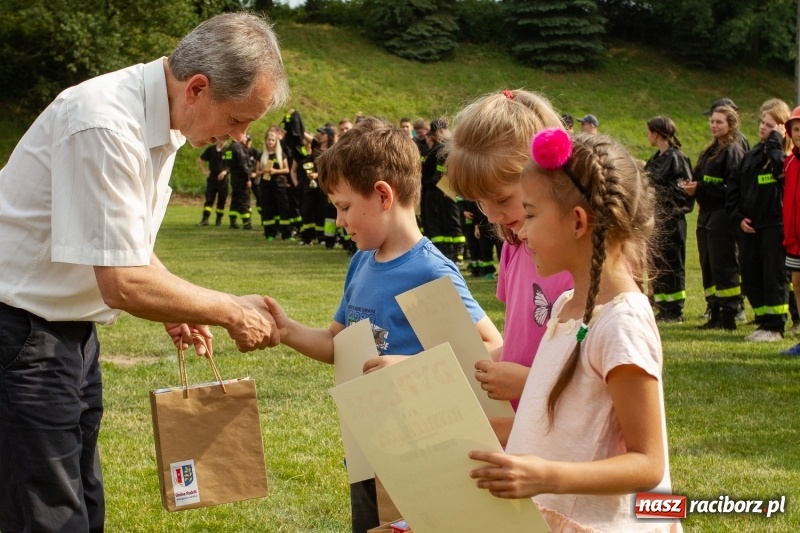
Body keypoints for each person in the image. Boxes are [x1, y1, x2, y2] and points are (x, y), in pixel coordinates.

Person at [0, 12, 288, 533]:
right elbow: (124, 281)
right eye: (240, 118)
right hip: (21, 331)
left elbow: (125, 245)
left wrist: (177, 306)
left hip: (63, 334)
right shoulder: (106, 123)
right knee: (45, 513)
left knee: (82, 502)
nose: (242, 136)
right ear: (198, 88)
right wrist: (227, 311)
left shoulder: (163, 122)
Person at [263, 117, 503, 533]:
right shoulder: (361, 263)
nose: (338, 221)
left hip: (422, 460)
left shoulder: (429, 272)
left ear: (382, 195)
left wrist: (409, 370)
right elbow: (338, 343)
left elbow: (488, 348)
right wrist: (286, 330)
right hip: (368, 453)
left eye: (343, 207)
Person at [469, 128, 681, 533]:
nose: (522, 231)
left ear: (578, 222)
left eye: (530, 214)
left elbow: (649, 462)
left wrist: (545, 476)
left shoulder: (622, 324)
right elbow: (558, 422)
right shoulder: (567, 306)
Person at [444, 89, 574, 410]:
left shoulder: (580, 259)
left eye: (501, 199)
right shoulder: (514, 247)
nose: (490, 216)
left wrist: (530, 380)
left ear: (546, 175)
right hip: (519, 430)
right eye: (479, 202)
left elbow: (596, 374)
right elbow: (516, 347)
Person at [726, 99, 792, 342]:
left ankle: (775, 327)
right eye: (762, 123)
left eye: (770, 125)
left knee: (774, 277)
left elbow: (780, 170)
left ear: (781, 128)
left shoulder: (783, 156)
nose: (763, 127)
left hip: (774, 226)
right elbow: (734, 186)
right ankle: (764, 322)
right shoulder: (752, 154)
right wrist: (739, 217)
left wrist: (776, 141)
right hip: (749, 226)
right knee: (751, 276)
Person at [683, 105, 745, 330]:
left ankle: (730, 315)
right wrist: (694, 188)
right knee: (708, 264)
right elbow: (702, 180)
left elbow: (733, 187)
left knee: (724, 265)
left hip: (723, 215)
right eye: (712, 121)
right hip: (706, 214)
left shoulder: (733, 151)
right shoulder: (709, 151)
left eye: (719, 122)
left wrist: (703, 187)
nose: (714, 125)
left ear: (730, 125)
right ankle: (715, 311)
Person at [645, 116, 694, 322]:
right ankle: (663, 306)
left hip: (673, 221)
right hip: (658, 221)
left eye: (649, 131)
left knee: (673, 263)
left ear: (657, 133)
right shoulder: (656, 158)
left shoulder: (677, 158)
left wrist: (655, 192)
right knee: (660, 264)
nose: (647, 136)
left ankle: (675, 310)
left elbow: (682, 192)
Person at [420, 117, 465, 262]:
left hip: (446, 189)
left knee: (451, 220)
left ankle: (457, 252)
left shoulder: (449, 146)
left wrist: (447, 186)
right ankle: (449, 252)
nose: (433, 138)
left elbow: (447, 170)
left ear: (440, 131)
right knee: (444, 222)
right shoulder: (444, 146)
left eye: (434, 135)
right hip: (440, 189)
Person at [782, 106, 800, 354]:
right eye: (796, 129)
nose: (799, 133)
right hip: (794, 239)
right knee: (797, 282)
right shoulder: (789, 162)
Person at [258, 129, 292, 240]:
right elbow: (256, 172)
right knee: (267, 209)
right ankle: (270, 234)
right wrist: (264, 171)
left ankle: (286, 234)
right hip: (265, 185)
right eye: (269, 140)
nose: (270, 142)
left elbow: (287, 170)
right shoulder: (262, 155)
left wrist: (275, 171)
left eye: (273, 140)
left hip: (279, 184)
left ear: (276, 141)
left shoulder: (281, 154)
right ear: (265, 141)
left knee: (284, 208)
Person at [196, 138, 230, 226]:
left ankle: (218, 220)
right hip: (212, 179)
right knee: (209, 199)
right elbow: (200, 159)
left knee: (222, 200)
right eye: (222, 139)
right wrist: (204, 170)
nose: (223, 141)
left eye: (225, 140)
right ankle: (205, 219)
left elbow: (230, 165)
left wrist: (225, 172)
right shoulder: (211, 150)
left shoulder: (228, 151)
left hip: (223, 180)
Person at [227, 138, 254, 229]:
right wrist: (248, 179)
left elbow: (228, 163)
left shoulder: (229, 148)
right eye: (245, 137)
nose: (246, 139)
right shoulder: (238, 148)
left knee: (235, 199)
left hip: (234, 178)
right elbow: (243, 165)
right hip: (241, 178)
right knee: (244, 200)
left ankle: (233, 222)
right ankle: (247, 223)